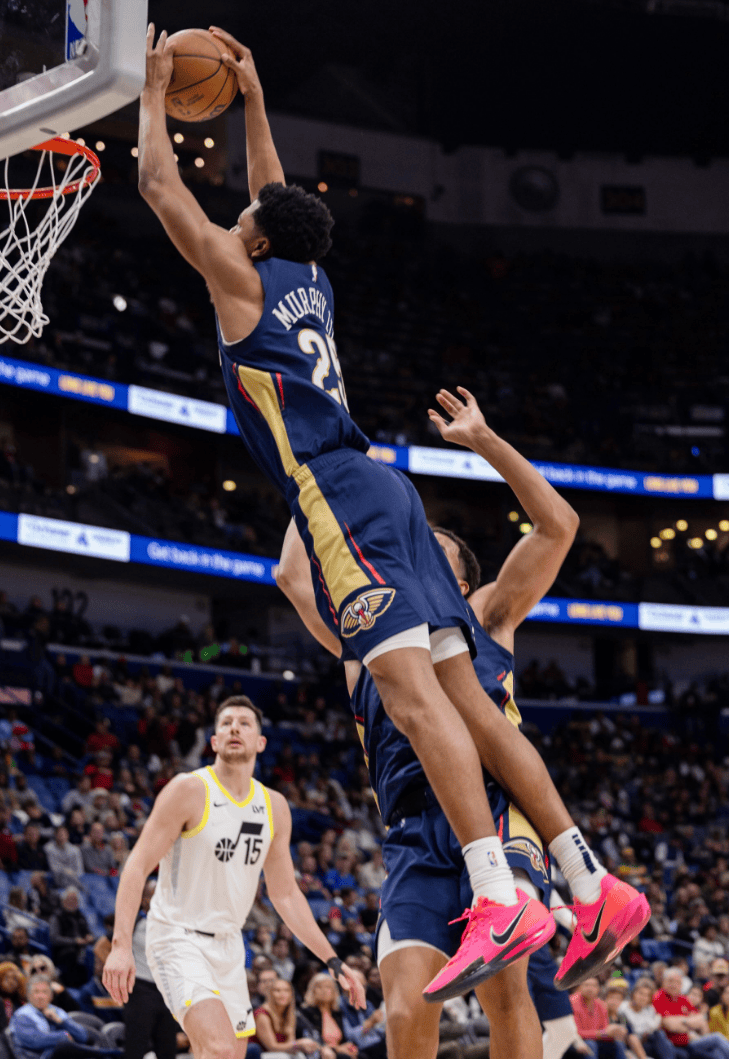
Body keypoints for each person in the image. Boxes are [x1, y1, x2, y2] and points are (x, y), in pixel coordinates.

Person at [138, 24, 647, 997]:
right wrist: (249, 97)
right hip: (389, 492)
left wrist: (154, 90)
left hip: (338, 494)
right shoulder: (307, 277)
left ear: (252, 236)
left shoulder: (243, 280)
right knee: (457, 695)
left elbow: (163, 191)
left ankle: (496, 890)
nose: (242, 211)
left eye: (245, 213)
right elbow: (278, 192)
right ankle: (586, 877)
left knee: (413, 703)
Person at [276, 388, 592, 1059]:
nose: (405, 540)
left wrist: (483, 441)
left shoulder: (485, 616)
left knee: (507, 992)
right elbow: (289, 573)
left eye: (429, 540)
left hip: (497, 813)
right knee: (404, 1002)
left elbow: (557, 525)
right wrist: (317, 470)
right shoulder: (363, 634)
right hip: (410, 834)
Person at [102, 696, 365, 1059]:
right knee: (221, 1050)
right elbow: (136, 865)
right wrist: (120, 946)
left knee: (229, 1055)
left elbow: (286, 894)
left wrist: (333, 961)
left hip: (228, 946)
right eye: (225, 723)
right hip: (176, 936)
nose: (234, 728)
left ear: (261, 743)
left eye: (244, 723)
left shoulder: (274, 806)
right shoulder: (188, 789)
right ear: (213, 742)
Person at [121, 880, 177, 1059]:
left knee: (168, 1048)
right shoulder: (134, 921)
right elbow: (102, 946)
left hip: (167, 992)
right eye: (155, 896)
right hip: (141, 989)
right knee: (136, 1047)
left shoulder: (172, 924)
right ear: (144, 900)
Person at [10, 974, 109, 1059]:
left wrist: (60, 1021)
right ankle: (108, 1053)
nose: (40, 996)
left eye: (44, 992)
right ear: (28, 995)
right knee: (64, 1047)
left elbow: (82, 1036)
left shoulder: (57, 1011)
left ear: (51, 996)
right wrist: (63, 1036)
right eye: (36, 992)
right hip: (33, 1057)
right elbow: (35, 1041)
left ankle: (107, 1053)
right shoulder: (22, 1015)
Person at [653, 967, 729, 1057]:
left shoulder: (682, 998)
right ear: (663, 982)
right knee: (717, 1037)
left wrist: (683, 1022)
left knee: (717, 1053)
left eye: (677, 982)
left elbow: (701, 1021)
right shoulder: (659, 997)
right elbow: (669, 1025)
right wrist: (689, 1023)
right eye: (670, 981)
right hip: (674, 1044)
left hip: (689, 1041)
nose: (674, 985)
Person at [253, 976, 326, 1058]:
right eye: (277, 990)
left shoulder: (290, 1015)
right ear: (270, 994)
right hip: (263, 1055)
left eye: (286, 990)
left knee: (299, 1055)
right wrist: (298, 1044)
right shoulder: (262, 1014)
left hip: (280, 1055)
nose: (282, 994)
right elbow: (272, 1047)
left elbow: (290, 1043)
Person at [299, 974, 358, 1058]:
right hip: (320, 1053)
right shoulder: (306, 1012)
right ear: (312, 991)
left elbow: (345, 1039)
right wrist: (337, 1049)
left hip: (338, 1052)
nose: (324, 990)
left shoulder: (337, 1013)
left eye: (328, 987)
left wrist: (348, 1046)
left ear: (334, 991)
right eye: (319, 987)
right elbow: (311, 1040)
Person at [570, 978, 628, 1058]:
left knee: (618, 1044)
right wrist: (601, 1033)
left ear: (599, 989)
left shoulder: (601, 1005)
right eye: (587, 985)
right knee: (590, 1044)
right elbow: (574, 1033)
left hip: (595, 1040)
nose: (590, 988)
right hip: (576, 1041)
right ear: (580, 987)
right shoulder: (572, 1002)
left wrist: (615, 1033)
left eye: (594, 986)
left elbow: (604, 1031)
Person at [49, 887, 95, 987]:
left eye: (75, 900)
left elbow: (88, 932)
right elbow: (54, 938)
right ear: (63, 901)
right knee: (73, 957)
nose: (72, 902)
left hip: (81, 949)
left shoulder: (81, 916)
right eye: (69, 899)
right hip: (64, 951)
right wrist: (74, 941)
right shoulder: (56, 916)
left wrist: (90, 937)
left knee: (92, 954)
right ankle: (73, 987)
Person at [619, 978, 674, 1059]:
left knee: (662, 1037)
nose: (643, 998)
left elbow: (652, 1028)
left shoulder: (650, 1009)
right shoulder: (623, 1009)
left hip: (647, 1043)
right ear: (634, 993)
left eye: (647, 995)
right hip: (631, 1045)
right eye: (640, 993)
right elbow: (629, 1034)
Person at [45, 826, 84, 891]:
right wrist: (65, 871)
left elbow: (80, 871)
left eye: (64, 834)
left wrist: (70, 874)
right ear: (55, 835)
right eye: (60, 834)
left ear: (68, 835)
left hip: (73, 881)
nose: (62, 837)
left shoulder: (75, 850)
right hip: (55, 882)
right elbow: (53, 869)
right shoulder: (48, 848)